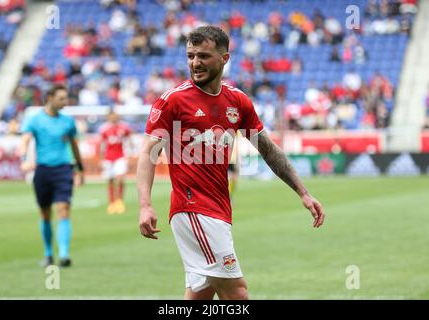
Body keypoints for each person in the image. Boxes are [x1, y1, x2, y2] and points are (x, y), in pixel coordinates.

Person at [136, 26, 325, 300]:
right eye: (190, 56)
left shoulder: (237, 101)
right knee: (237, 294)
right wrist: (145, 204)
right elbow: (148, 154)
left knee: (200, 296)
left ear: (224, 58)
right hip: (193, 210)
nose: (195, 63)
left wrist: (303, 193)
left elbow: (269, 151)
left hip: (219, 211)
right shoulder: (172, 102)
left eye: (203, 56)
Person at [20, 85, 84, 268]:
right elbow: (24, 140)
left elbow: (74, 145)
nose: (65, 102)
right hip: (43, 171)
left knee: (63, 209)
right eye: (61, 98)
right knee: (45, 214)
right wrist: (24, 159)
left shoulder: (68, 122)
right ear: (50, 97)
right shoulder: (34, 120)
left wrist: (80, 168)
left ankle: (63, 254)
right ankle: (48, 254)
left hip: (64, 170)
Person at [99, 109, 133, 214]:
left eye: (115, 115)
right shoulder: (104, 129)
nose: (114, 117)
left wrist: (129, 156)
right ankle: (112, 203)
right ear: (108, 117)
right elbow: (102, 144)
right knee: (110, 180)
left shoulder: (124, 127)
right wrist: (101, 159)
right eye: (112, 116)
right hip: (108, 158)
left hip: (120, 157)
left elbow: (129, 141)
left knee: (120, 179)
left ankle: (119, 202)